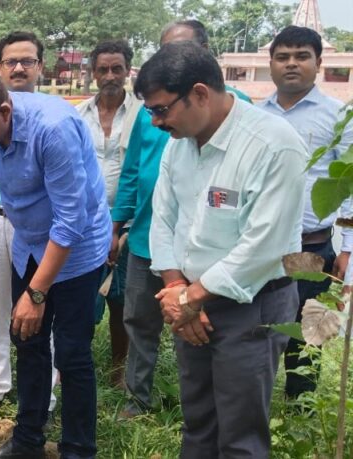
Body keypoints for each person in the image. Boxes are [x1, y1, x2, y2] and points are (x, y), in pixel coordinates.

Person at [139, 41, 304, 458]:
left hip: (251, 306)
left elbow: (265, 245)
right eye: (150, 111)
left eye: (161, 109)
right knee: (198, 423)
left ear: (199, 93)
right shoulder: (180, 143)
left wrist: (192, 298)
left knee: (240, 435)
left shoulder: (272, 145)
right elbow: (164, 218)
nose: (156, 122)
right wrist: (178, 290)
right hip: (191, 304)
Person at [0, 69, 110, 459]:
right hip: (28, 243)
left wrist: (36, 291)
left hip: (77, 251)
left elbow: (70, 221)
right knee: (26, 339)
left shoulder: (54, 129)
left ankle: (78, 450)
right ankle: (27, 442)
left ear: (4, 111)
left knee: (71, 352)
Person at [112, 19, 253, 419]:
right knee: (140, 319)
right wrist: (117, 223)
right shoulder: (151, 114)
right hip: (149, 239)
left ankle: (197, 404)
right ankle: (138, 397)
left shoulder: (238, 111)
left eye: (181, 52)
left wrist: (185, 292)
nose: (158, 119)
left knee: (199, 325)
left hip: (207, 248)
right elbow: (133, 172)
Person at [258, 25, 353, 402]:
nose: (291, 64)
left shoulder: (338, 117)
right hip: (263, 248)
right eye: (283, 57)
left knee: (306, 340)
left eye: (301, 56)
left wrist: (348, 249)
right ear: (271, 64)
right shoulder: (253, 115)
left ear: (318, 63)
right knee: (259, 334)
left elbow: (347, 185)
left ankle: (298, 414)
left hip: (311, 250)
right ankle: (257, 411)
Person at [0, 30, 52, 414]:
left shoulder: (51, 119)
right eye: (10, 61)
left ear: (40, 67)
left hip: (35, 226)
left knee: (38, 305)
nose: (18, 68)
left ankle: (43, 393)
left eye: (27, 61)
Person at [75, 39, 141, 388]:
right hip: (84, 223)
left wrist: (116, 227)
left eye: (117, 68)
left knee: (122, 300)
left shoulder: (144, 115)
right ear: (93, 73)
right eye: (103, 69)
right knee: (83, 297)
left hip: (129, 223)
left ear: (128, 70)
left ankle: (119, 371)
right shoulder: (79, 114)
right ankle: (76, 365)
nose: (110, 75)